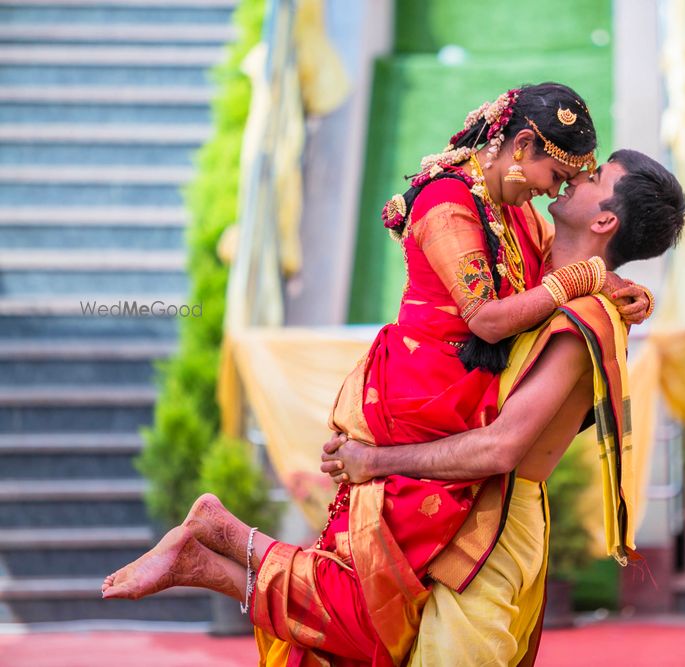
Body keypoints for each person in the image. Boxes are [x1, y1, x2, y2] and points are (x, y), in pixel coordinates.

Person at [103, 85, 653, 666]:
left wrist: (612, 283)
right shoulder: (447, 202)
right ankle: (214, 552)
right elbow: (491, 319)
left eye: (580, 180)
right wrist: (588, 278)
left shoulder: (515, 212)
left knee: (382, 610)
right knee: (372, 607)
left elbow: (551, 276)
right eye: (559, 171)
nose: (558, 188)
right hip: (418, 401)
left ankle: (215, 550)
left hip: (459, 414)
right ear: (521, 145)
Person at [322, 149, 685, 666]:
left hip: (492, 528)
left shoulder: (581, 320)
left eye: (596, 175)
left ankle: (215, 545)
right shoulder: (540, 270)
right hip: (450, 506)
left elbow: (500, 448)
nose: (578, 175)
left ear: (605, 220)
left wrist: (373, 462)